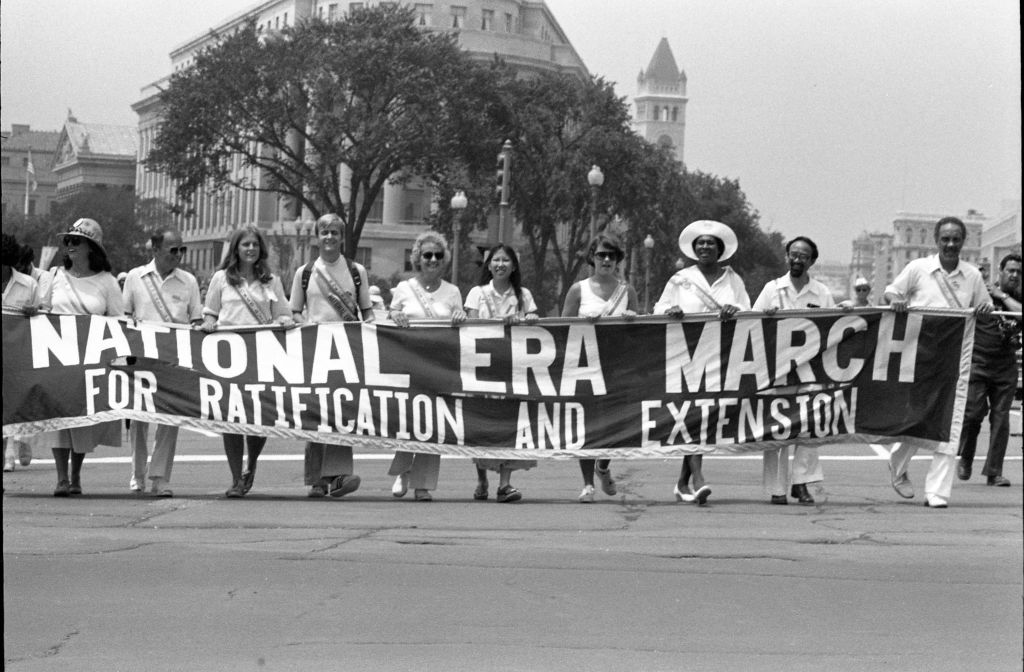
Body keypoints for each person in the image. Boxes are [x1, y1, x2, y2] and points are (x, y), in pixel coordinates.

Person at [883, 216, 993, 509]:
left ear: (963, 241)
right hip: (919, 357)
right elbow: (892, 291)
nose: (951, 244)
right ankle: (897, 463)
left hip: (956, 360)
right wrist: (896, 300)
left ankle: (938, 492)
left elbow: (986, 307)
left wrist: (984, 309)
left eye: (956, 239)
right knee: (919, 418)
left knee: (951, 422)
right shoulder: (918, 268)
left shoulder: (972, 275)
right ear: (936, 240)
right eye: (945, 239)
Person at [652, 220, 749, 506]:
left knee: (704, 416)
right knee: (690, 412)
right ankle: (698, 478)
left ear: (720, 249)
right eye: (701, 243)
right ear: (694, 249)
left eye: (711, 243)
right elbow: (658, 308)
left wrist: (736, 310)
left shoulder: (733, 279)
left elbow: (748, 308)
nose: (705, 247)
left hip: (720, 354)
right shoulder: (680, 279)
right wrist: (670, 310)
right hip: (685, 355)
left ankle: (683, 482)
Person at [753, 236, 848, 505]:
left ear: (812, 261)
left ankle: (802, 483)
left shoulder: (821, 292)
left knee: (809, 427)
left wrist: (847, 312)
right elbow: (750, 323)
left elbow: (834, 327)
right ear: (787, 257)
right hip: (777, 368)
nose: (797, 259)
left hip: (811, 369)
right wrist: (766, 317)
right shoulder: (772, 289)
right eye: (793, 254)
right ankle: (777, 488)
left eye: (803, 256)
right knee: (778, 426)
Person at [202, 226, 295, 498]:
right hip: (228, 358)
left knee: (258, 419)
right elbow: (210, 313)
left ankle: (250, 467)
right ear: (235, 249)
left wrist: (285, 322)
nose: (251, 249)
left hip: (262, 358)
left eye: (255, 244)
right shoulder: (221, 279)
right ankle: (234, 478)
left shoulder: (271, 280)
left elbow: (283, 314)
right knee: (230, 421)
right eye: (245, 245)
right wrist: (208, 323)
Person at [290, 214, 373, 499]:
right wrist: (302, 323)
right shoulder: (305, 272)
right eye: (324, 232)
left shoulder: (355, 270)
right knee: (315, 412)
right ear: (317, 236)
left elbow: (367, 312)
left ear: (341, 237)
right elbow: (295, 311)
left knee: (342, 410)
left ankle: (338, 474)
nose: (329, 237)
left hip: (347, 350)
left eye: (334, 233)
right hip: (314, 350)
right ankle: (316, 479)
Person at [43, 219, 125, 496]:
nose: (70, 246)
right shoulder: (53, 276)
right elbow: (42, 309)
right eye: (67, 241)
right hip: (56, 357)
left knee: (80, 419)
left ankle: (76, 474)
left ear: (91, 247)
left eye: (76, 241)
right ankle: (60, 478)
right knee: (59, 419)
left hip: (90, 359)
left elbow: (118, 321)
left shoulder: (107, 282)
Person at [122, 228, 202, 497]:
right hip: (140, 358)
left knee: (169, 419)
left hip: (173, 358)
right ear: (155, 250)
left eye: (182, 250)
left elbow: (197, 318)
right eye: (173, 250)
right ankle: (137, 473)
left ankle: (160, 478)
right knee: (138, 419)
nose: (178, 255)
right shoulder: (135, 277)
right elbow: (123, 316)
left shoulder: (188, 281)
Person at [387, 231, 466, 501]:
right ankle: (404, 471)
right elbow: (390, 316)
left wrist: (460, 315)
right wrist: (395, 315)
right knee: (408, 421)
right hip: (408, 363)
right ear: (417, 258)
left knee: (433, 425)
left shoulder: (453, 291)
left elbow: (462, 326)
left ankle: (423, 484)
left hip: (439, 365)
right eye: (427, 255)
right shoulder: (404, 288)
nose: (433, 260)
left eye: (438, 255)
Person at [562, 232, 638, 503]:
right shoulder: (578, 290)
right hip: (585, 367)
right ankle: (586, 484)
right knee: (588, 425)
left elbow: (639, 332)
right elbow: (561, 328)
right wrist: (584, 323)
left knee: (614, 424)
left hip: (617, 367)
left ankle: (603, 466)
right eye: (601, 255)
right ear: (592, 258)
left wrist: (632, 320)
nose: (606, 260)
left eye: (612, 255)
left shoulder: (626, 291)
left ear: (618, 260)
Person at [464, 244, 540, 503]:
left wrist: (528, 321)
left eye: (505, 260)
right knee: (483, 425)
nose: (500, 265)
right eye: (495, 260)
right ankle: (482, 478)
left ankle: (505, 484)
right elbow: (471, 325)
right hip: (484, 369)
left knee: (511, 424)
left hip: (514, 370)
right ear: (489, 265)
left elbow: (535, 321)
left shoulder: (524, 295)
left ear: (514, 266)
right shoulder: (477, 293)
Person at [957, 253, 1021, 488]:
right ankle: (965, 456)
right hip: (978, 363)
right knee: (973, 414)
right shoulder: (980, 291)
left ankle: (994, 472)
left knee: (1001, 419)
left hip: (1005, 366)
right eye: (1010, 270)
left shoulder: (1015, 298)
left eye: (1018, 272)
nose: (1014, 275)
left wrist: (1001, 296)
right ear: (1001, 271)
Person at [3, 234, 43, 472]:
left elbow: (43, 318)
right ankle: (8, 452)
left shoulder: (28, 286)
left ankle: (19, 443)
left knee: (15, 404)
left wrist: (35, 311)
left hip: (19, 355)